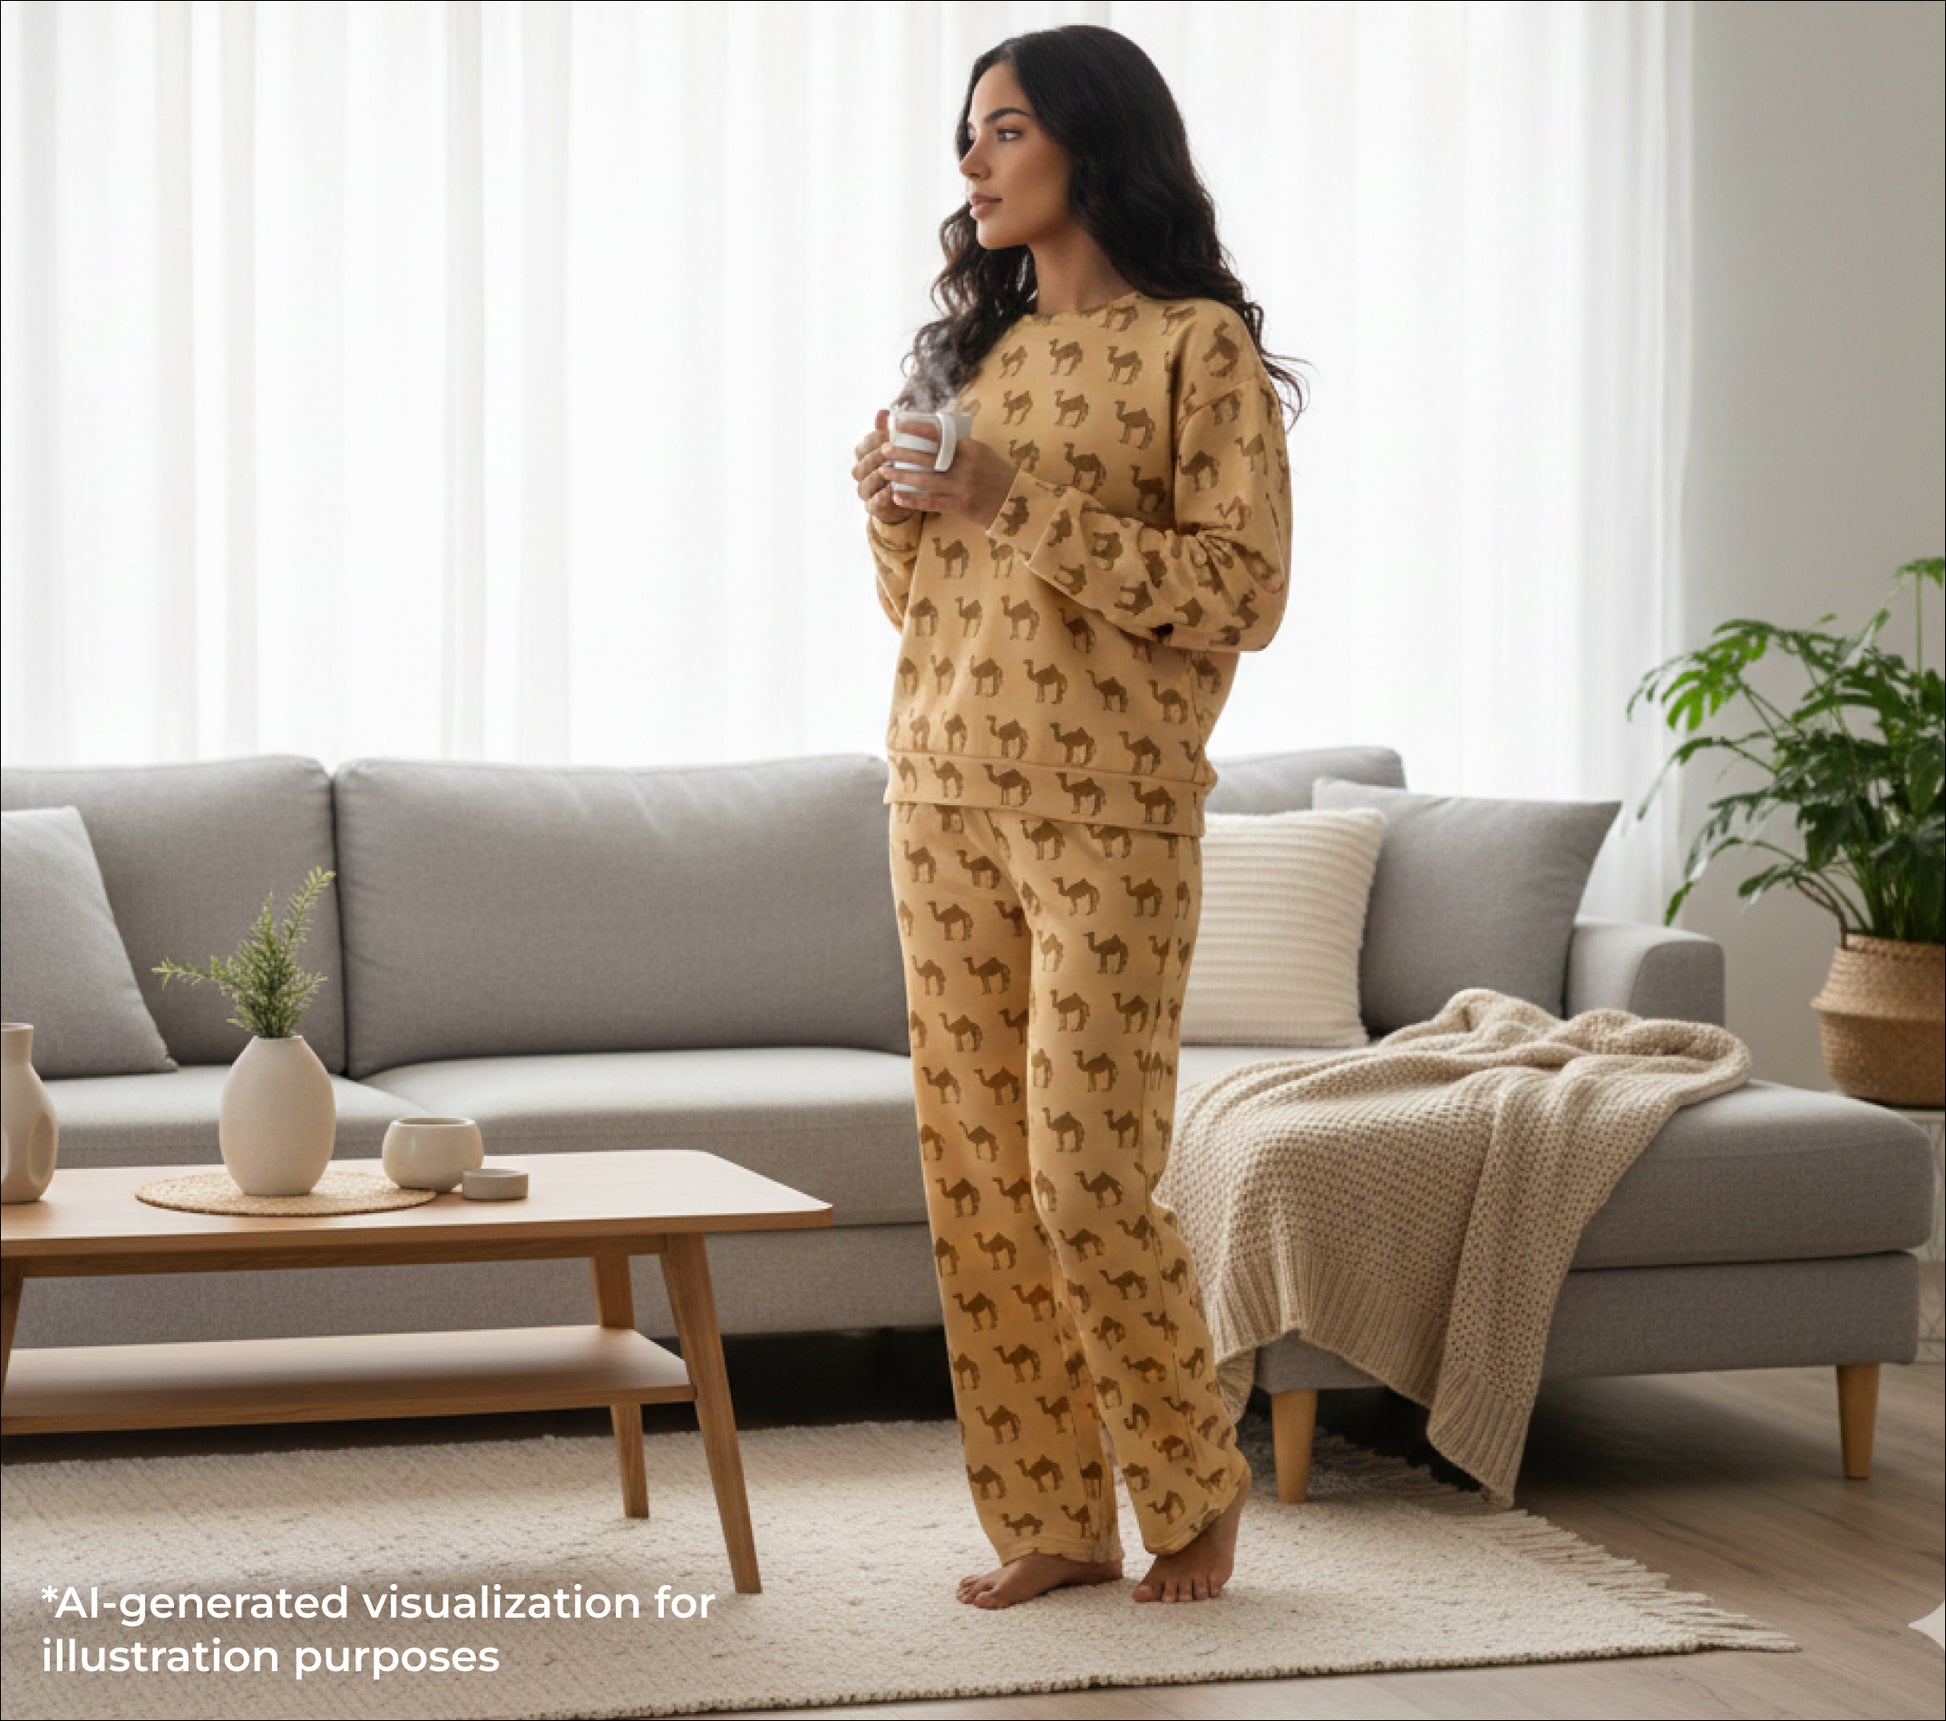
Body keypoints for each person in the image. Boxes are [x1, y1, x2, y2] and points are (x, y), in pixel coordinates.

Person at [848, 23, 1306, 1612]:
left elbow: (1238, 593)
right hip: (939, 794)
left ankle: (1190, 1483)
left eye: (1004, 129)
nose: (971, 161)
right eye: (967, 134)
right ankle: (1050, 1515)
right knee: (976, 1183)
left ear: (1089, 143)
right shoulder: (969, 357)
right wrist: (895, 512)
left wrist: (1008, 498)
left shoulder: (1197, 350)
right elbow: (927, 602)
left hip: (1113, 812)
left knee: (1082, 1173)